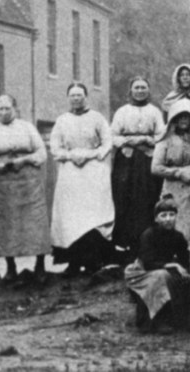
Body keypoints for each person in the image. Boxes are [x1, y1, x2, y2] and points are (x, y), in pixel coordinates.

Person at [0, 95, 51, 284]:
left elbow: (41, 152)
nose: (4, 112)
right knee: (4, 225)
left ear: (15, 109)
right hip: (0, 183)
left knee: (33, 222)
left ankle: (40, 265)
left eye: (7, 108)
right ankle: (11, 268)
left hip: (27, 180)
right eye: (0, 109)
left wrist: (24, 160)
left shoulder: (27, 127)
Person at [50, 83, 115, 276]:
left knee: (93, 215)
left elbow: (107, 142)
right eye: (72, 95)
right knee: (71, 216)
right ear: (68, 98)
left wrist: (91, 154)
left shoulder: (97, 118)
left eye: (79, 95)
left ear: (86, 97)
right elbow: (55, 147)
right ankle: (73, 261)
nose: (76, 99)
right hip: (71, 172)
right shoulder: (62, 120)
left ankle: (94, 260)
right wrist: (71, 156)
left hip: (93, 170)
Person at [110, 77, 167, 257]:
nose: (140, 91)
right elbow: (113, 135)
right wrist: (128, 141)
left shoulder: (154, 111)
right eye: (137, 87)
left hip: (148, 158)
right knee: (125, 197)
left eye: (143, 88)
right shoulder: (122, 111)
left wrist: (147, 140)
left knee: (148, 197)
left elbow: (161, 134)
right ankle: (127, 244)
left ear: (148, 91)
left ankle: (148, 243)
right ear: (131, 90)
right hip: (127, 160)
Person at [124, 194, 190, 333]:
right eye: (164, 215)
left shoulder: (178, 236)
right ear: (156, 218)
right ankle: (156, 321)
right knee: (161, 277)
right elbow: (148, 262)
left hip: (163, 269)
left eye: (171, 215)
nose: (168, 219)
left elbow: (184, 259)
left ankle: (180, 318)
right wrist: (173, 265)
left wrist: (181, 268)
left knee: (183, 278)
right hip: (141, 272)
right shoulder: (148, 234)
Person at [151, 99, 190, 240]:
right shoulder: (165, 140)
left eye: (187, 116)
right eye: (180, 116)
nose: (183, 120)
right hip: (173, 188)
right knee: (173, 220)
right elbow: (155, 167)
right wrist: (178, 173)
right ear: (173, 118)